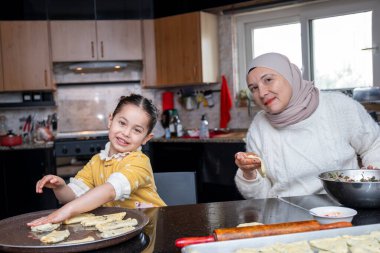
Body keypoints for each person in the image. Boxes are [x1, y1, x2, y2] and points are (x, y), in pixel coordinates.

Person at [234, 52, 380, 199]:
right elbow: (260, 197)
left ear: (290, 76)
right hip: (286, 215)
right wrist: (249, 173)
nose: (262, 92)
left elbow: (374, 144)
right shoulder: (259, 127)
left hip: (343, 208)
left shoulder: (339, 106)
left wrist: (373, 176)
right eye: (254, 88)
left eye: (268, 80)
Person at [28, 94, 166, 226]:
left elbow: (110, 191)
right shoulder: (97, 162)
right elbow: (71, 197)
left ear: (146, 138)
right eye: (122, 123)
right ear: (110, 120)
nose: (126, 133)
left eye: (136, 130)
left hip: (150, 228)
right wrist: (61, 187)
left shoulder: (139, 162)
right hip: (122, 228)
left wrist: (66, 211)